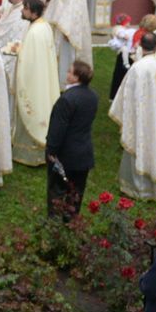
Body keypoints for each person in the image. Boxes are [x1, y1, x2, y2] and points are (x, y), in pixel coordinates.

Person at [110, 33, 156, 199]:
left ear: (140, 45)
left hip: (142, 116)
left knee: (139, 144)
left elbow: (126, 94)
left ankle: (138, 189)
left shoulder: (138, 67)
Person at [43, 59, 97, 215]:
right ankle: (72, 220)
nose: (67, 73)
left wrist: (51, 152)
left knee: (57, 190)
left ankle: (55, 223)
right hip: (84, 152)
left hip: (65, 154)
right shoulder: (93, 96)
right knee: (76, 191)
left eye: (69, 71)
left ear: (76, 77)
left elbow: (57, 130)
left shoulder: (66, 99)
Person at [11, 0, 59, 166]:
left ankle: (30, 151)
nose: (22, 11)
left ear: (33, 11)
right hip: (42, 75)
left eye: (25, 8)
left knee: (32, 105)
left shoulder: (35, 32)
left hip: (33, 79)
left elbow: (28, 60)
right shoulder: (43, 25)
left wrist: (18, 52)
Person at [42, 0, 91, 84]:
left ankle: (66, 82)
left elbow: (73, 10)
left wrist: (67, 31)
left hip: (67, 31)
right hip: (60, 27)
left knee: (66, 57)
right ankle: (58, 81)